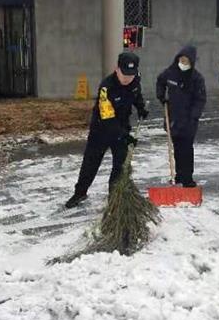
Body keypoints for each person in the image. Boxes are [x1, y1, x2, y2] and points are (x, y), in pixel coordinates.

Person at [65, 52, 149, 208]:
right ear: (117, 69)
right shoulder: (106, 87)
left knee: (120, 166)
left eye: (131, 75)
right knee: (90, 163)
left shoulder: (135, 80)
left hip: (122, 126)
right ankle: (80, 193)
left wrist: (141, 108)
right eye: (124, 74)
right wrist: (124, 137)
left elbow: (136, 95)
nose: (127, 79)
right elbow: (108, 118)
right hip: (101, 129)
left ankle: (114, 198)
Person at [156, 45, 206, 187]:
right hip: (173, 117)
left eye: (186, 61)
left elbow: (200, 99)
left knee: (187, 148)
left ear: (192, 62)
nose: (183, 64)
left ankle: (187, 177)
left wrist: (194, 115)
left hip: (189, 119)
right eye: (181, 60)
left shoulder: (196, 78)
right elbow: (160, 81)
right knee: (177, 147)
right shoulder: (171, 72)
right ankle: (178, 175)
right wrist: (161, 96)